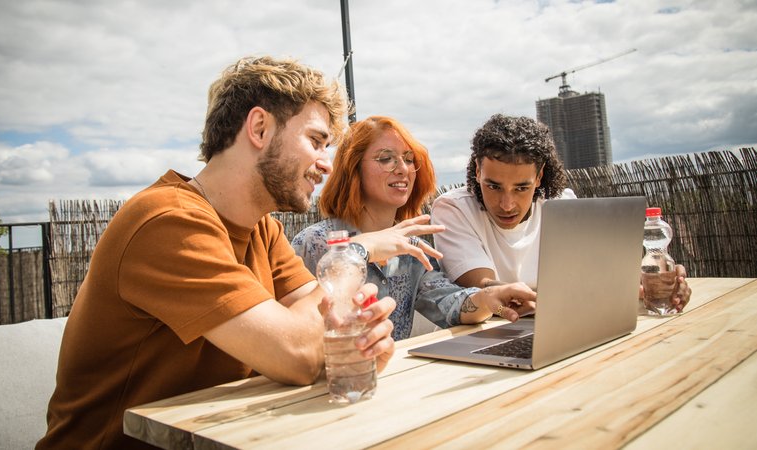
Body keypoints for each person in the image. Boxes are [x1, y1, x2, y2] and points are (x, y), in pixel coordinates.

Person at [37, 56, 396, 450]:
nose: (327, 164)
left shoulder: (262, 228)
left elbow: (325, 328)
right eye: (316, 141)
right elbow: (297, 352)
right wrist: (354, 252)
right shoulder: (166, 221)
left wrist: (356, 342)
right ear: (259, 127)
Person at [292, 116, 537, 340]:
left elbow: (447, 302)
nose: (403, 168)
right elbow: (293, 329)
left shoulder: (413, 250)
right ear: (353, 168)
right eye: (386, 158)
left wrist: (488, 299)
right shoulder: (315, 243)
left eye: (409, 159)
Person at [431, 113, 691, 311]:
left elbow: (598, 270)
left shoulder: (562, 205)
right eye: (493, 186)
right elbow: (483, 287)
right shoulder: (453, 209)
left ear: (540, 175)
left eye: (522, 188)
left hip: (559, 325)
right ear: (477, 171)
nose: (507, 204)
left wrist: (653, 283)